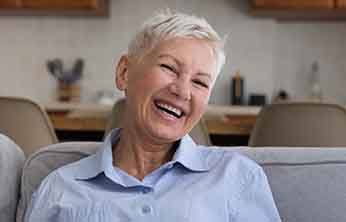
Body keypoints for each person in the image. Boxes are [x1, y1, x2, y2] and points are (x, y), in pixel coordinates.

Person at [24, 10, 281, 222]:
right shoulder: (59, 189)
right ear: (125, 72)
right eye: (169, 67)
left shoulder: (237, 177)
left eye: (200, 83)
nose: (182, 91)